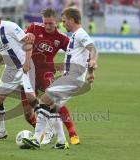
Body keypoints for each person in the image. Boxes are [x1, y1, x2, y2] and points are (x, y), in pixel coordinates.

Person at [22, 7, 98, 149]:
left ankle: (36, 139)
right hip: (72, 77)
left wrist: (94, 60)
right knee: (53, 106)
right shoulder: (75, 36)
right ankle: (62, 142)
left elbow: (93, 48)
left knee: (44, 100)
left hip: (72, 77)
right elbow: (87, 55)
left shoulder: (80, 34)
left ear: (71, 20)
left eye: (64, 21)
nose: (63, 24)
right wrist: (91, 71)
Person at [0, 7, 38, 141]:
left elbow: (28, 43)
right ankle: (1, 132)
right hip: (10, 70)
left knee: (32, 99)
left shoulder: (10, 26)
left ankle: (46, 130)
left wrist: (27, 63)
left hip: (24, 67)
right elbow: (4, 52)